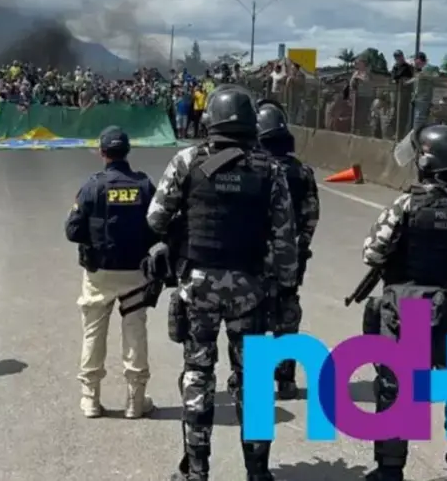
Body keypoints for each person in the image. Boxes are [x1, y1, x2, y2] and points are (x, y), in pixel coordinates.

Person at [147, 87, 297, 481]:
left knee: (198, 374)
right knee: (254, 380)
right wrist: (283, 290)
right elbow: (285, 240)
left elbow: (156, 219)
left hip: (198, 285)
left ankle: (196, 471)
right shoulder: (271, 170)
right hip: (251, 288)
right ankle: (258, 472)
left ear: (211, 120)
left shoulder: (187, 160)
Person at [360, 124, 447, 481]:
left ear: (426, 162)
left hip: (408, 308)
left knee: (397, 388)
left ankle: (390, 469)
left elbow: (372, 253)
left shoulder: (407, 204)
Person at [64, 125, 158, 419]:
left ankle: (90, 399)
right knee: (135, 331)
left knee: (93, 331)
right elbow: (159, 224)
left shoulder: (92, 186)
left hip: (99, 271)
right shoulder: (144, 185)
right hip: (135, 272)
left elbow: (72, 230)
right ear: (127, 151)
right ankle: (135, 400)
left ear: (102, 153)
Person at [256, 100, 320, 399]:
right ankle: (286, 381)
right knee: (287, 316)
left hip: (255, 257)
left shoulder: (256, 169)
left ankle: (254, 380)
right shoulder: (302, 172)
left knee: (253, 317)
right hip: (289, 258)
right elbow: (311, 216)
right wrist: (300, 247)